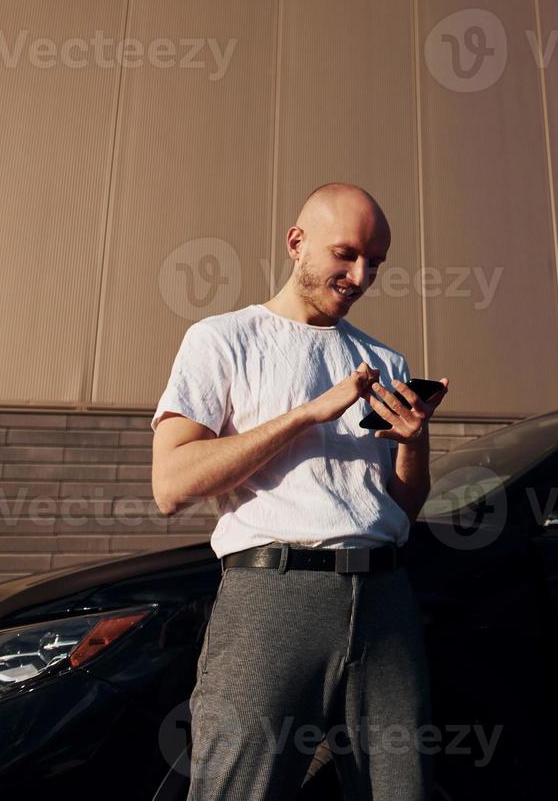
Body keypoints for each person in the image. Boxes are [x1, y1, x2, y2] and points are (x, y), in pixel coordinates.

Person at [151, 182, 448, 801]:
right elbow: (172, 485)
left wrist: (415, 442)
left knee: (403, 791)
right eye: (346, 254)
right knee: (240, 789)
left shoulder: (384, 361)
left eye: (375, 263)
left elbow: (400, 509)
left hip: (386, 596)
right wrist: (307, 414)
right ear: (296, 243)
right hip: (274, 592)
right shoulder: (222, 339)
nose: (360, 275)